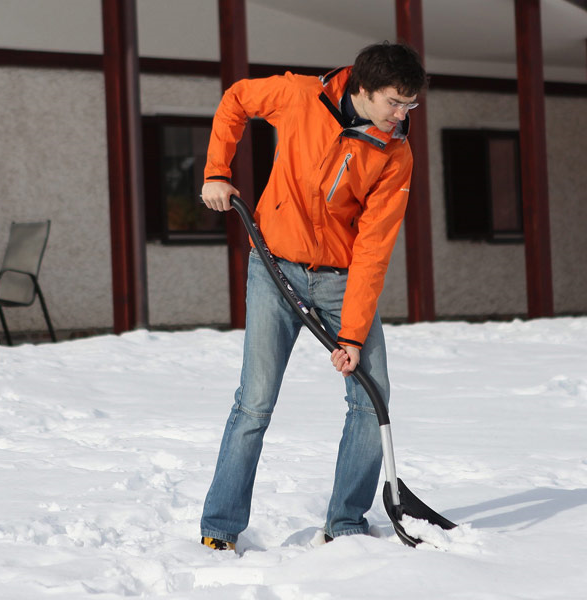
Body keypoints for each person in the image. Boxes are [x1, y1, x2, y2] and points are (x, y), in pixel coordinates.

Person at [199, 41, 427, 551]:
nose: (402, 115)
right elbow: (236, 99)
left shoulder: (395, 154)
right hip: (274, 268)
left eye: (410, 105)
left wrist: (351, 333)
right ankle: (220, 527)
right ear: (362, 90)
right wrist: (217, 170)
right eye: (394, 102)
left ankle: (345, 524)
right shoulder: (299, 96)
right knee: (254, 403)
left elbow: (374, 247)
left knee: (372, 397)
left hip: (342, 280)